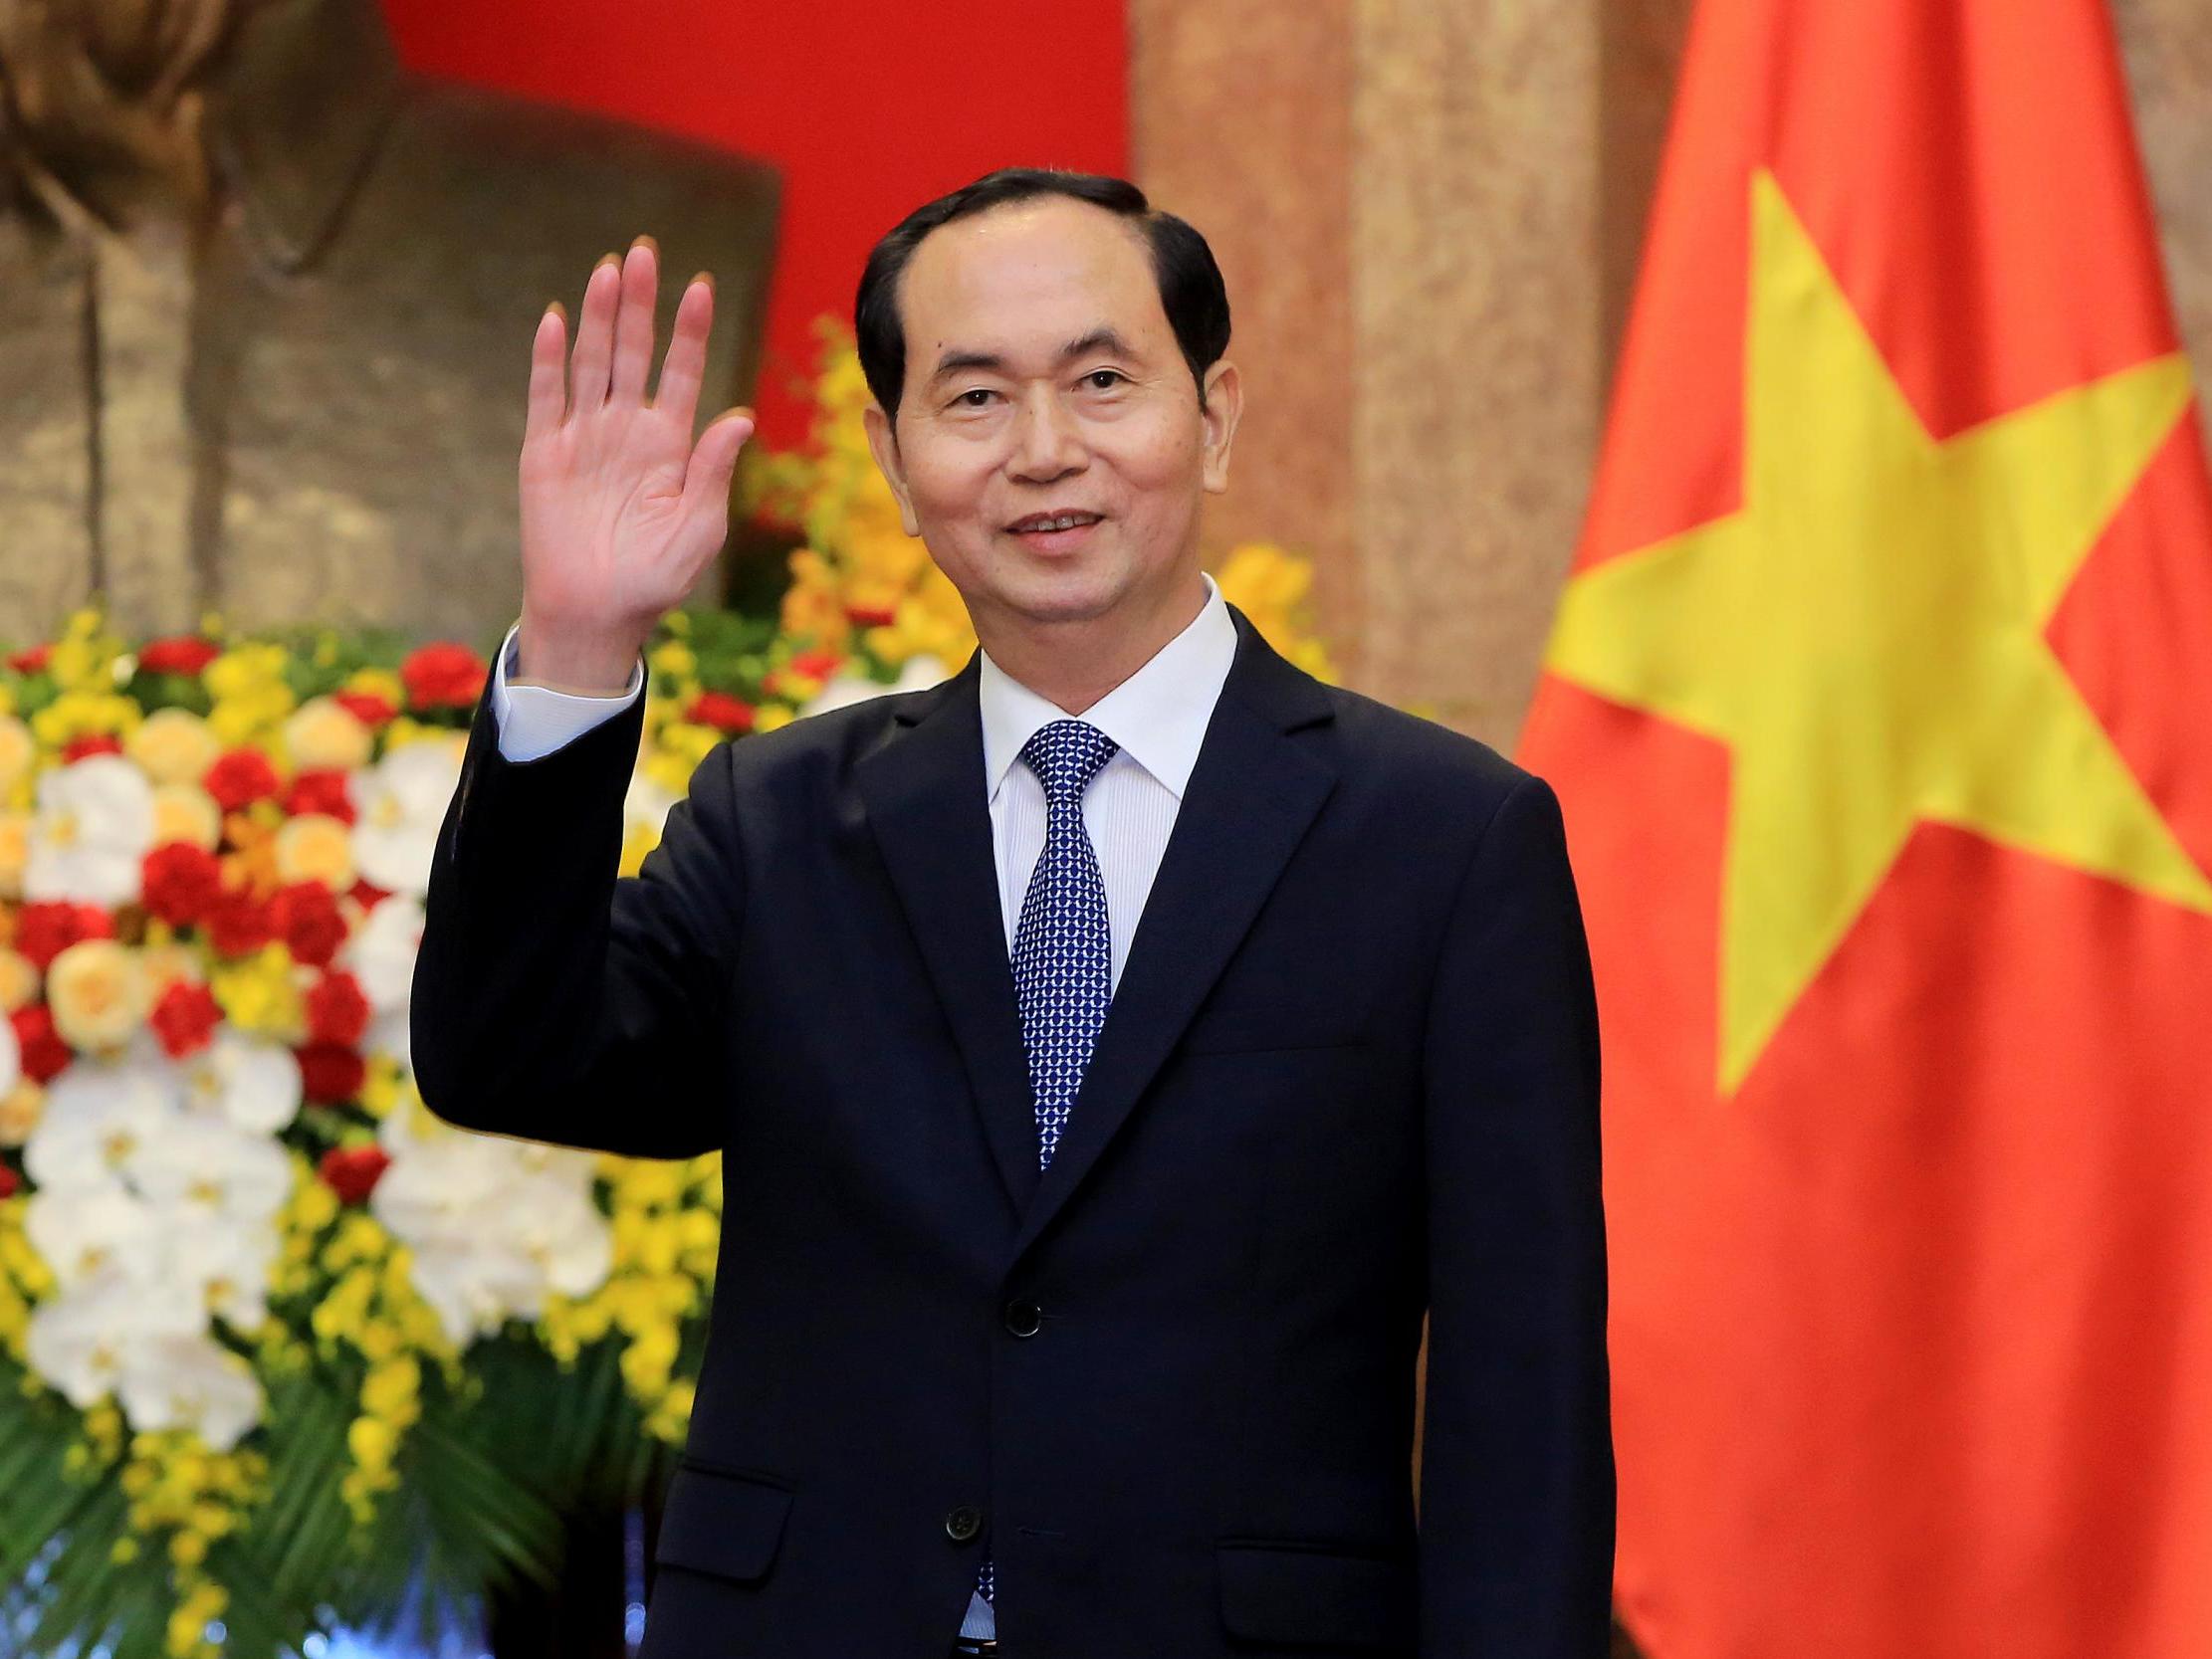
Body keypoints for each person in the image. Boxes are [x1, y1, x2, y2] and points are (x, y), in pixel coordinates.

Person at [412, 167, 1615, 1659]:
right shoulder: (778, 819)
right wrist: (583, 650)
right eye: (972, 400)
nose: (1045, 453)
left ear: (1215, 415)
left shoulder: (1442, 838)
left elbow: (1523, 1382)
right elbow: (504, 1055)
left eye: (1102, 381)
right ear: (894, 459)